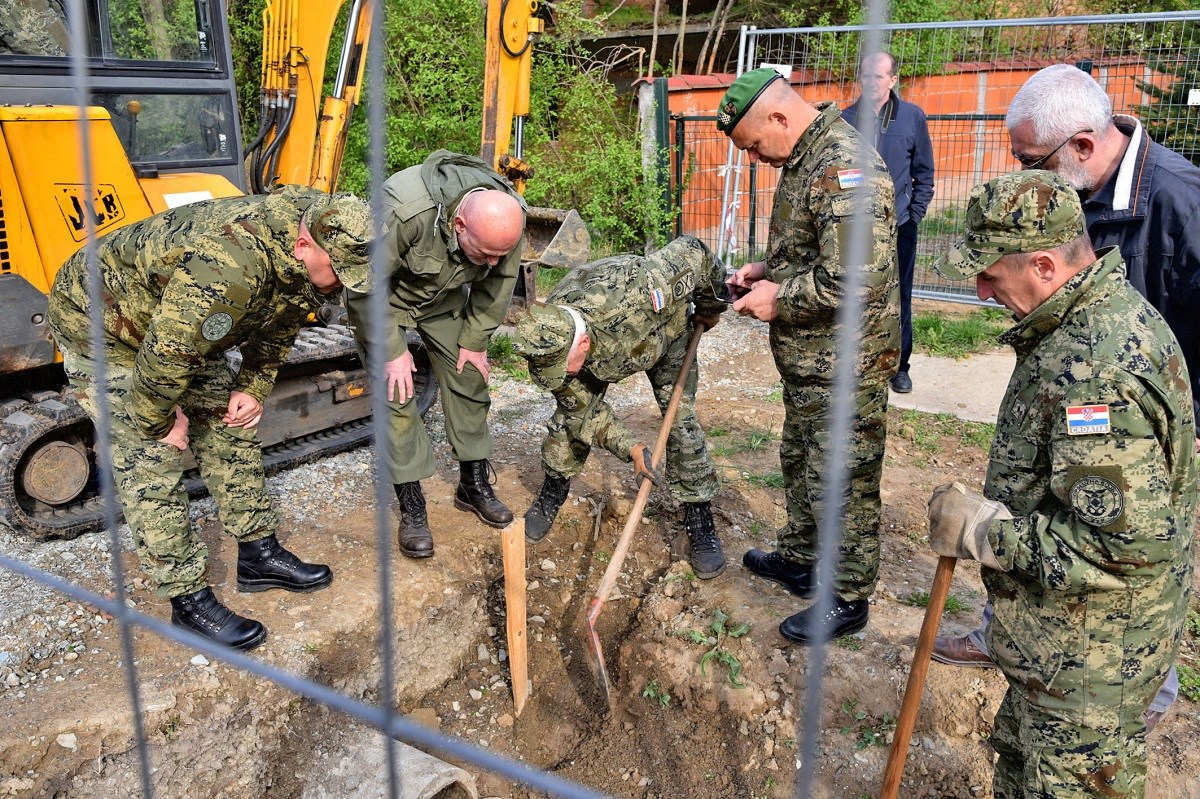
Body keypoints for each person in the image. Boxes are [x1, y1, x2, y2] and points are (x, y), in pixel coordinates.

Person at [933, 62, 1200, 730]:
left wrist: (982, 534)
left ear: (1081, 145)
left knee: (1123, 560)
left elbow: (1115, 546)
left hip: (1128, 428)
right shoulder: (1073, 204)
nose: (1028, 173)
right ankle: (1013, 634)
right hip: (1089, 423)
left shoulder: (1182, 204)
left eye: (1031, 159)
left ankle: (1138, 696)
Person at [48, 188, 375, 651]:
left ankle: (258, 555)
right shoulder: (229, 267)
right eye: (339, 272)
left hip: (175, 321)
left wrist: (252, 386)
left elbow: (283, 318)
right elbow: (166, 357)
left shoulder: (318, 221)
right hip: (103, 322)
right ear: (305, 246)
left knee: (229, 425)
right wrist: (162, 423)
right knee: (150, 459)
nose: (340, 283)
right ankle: (188, 598)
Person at [716, 68, 900, 643]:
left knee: (842, 476)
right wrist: (765, 271)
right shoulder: (804, 158)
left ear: (776, 117)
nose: (753, 156)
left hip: (846, 362)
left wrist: (779, 298)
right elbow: (814, 249)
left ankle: (848, 597)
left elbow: (856, 280)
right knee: (802, 458)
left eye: (751, 144)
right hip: (810, 360)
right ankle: (800, 559)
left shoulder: (846, 168)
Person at [345, 150, 526, 559]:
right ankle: (412, 505)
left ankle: (472, 485)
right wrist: (393, 351)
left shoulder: (504, 219)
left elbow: (499, 284)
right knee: (398, 394)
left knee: (468, 376)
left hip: (442, 300)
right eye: (485, 253)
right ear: (458, 223)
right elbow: (363, 285)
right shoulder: (405, 211)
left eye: (501, 252)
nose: (494, 261)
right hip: (384, 301)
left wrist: (474, 340)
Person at [512, 236, 728, 577]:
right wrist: (633, 449)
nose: (560, 376)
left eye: (562, 367)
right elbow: (584, 413)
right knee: (569, 423)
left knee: (682, 425)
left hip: (665, 337)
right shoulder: (549, 337)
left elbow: (696, 251)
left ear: (582, 343)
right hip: (600, 353)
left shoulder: (640, 290)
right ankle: (553, 490)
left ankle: (699, 515)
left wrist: (711, 303)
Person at [841, 51, 934, 395]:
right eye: (865, 76)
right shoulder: (846, 119)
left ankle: (899, 367)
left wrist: (915, 213)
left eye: (878, 77)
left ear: (893, 80)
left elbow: (924, 173)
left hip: (901, 225)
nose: (871, 82)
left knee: (900, 297)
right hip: (856, 227)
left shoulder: (912, 117)